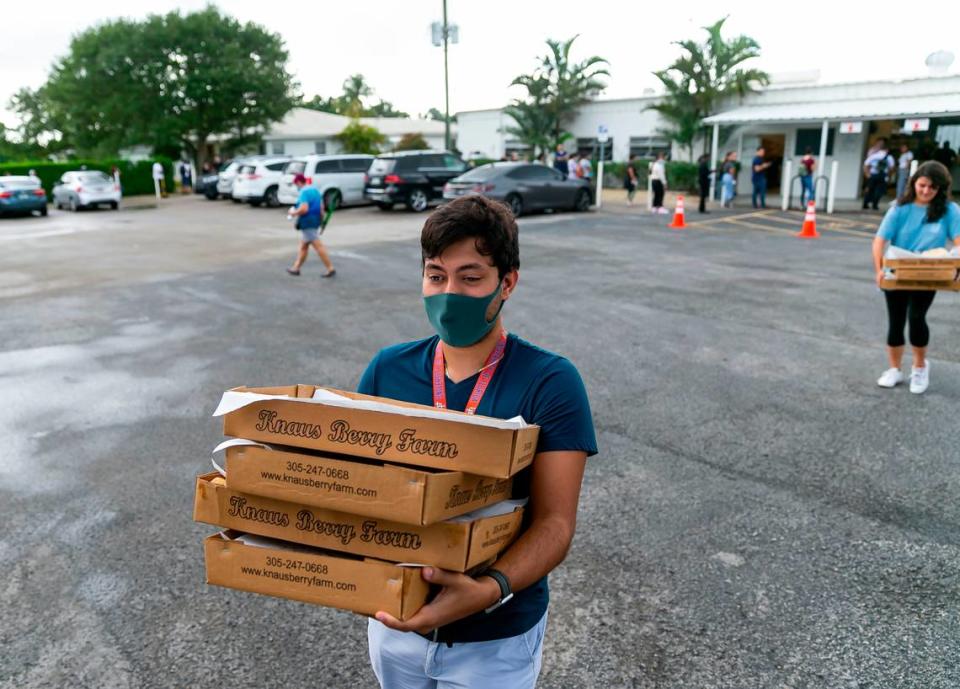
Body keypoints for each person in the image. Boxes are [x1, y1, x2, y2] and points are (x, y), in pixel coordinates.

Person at [360, 194, 597, 688]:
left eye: (470, 278)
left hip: (495, 640)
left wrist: (491, 589)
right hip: (395, 624)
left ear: (507, 282)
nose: (449, 294)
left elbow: (555, 523)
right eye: (435, 276)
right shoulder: (388, 370)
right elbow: (354, 486)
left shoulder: (549, 381)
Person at [872, 161, 960, 394]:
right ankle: (894, 369)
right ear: (914, 183)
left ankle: (920, 367)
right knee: (896, 320)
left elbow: (959, 240)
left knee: (917, 317)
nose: (926, 191)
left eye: (933, 188)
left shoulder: (949, 210)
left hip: (928, 272)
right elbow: (880, 241)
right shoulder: (899, 208)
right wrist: (878, 269)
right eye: (922, 185)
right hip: (898, 270)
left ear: (941, 189)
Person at [286, 174, 335, 278]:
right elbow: (321, 208)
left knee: (318, 246)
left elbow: (304, 209)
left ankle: (330, 268)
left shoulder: (303, 192)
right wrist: (321, 221)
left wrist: (293, 213)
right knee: (304, 246)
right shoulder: (315, 190)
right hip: (315, 220)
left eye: (296, 184)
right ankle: (296, 268)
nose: (296, 187)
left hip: (307, 221)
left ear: (299, 182)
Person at [862, 139, 895, 210]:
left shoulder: (874, 156)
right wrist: (889, 176)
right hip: (882, 175)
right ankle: (875, 205)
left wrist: (867, 174)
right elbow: (891, 168)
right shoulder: (889, 157)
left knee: (869, 189)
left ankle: (865, 203)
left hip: (873, 175)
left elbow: (866, 164)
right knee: (879, 190)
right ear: (887, 150)